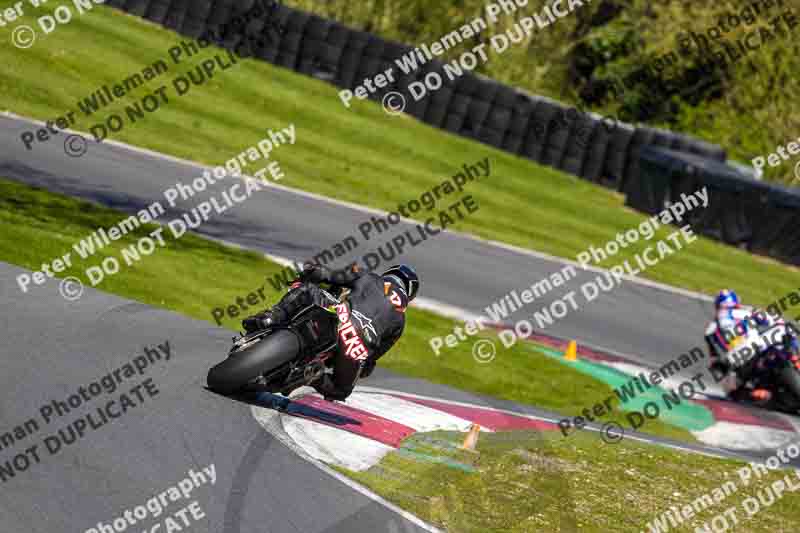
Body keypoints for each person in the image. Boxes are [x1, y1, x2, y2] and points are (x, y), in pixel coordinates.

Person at [242, 263, 419, 401]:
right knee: (340, 390)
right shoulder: (400, 322)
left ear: (389, 274)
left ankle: (271, 317)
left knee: (308, 290)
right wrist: (361, 366)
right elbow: (372, 359)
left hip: (341, 314)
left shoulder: (368, 276)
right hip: (356, 344)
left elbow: (325, 274)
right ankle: (311, 375)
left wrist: (308, 274)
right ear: (409, 295)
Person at [705, 289, 794, 403]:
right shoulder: (745, 312)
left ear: (717, 306)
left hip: (739, 364)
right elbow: (772, 320)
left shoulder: (710, 330)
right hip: (758, 348)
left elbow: (714, 362)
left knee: (732, 393)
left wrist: (723, 368)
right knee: (786, 333)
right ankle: (794, 359)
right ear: (736, 303)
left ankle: (760, 395)